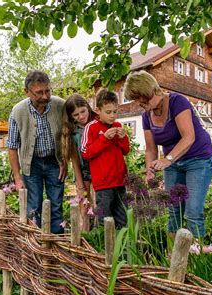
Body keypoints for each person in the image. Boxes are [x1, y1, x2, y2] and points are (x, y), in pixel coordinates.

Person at [123, 70, 212, 238]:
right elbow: (151, 149)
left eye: (139, 99)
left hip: (198, 159)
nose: (138, 104)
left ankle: (198, 258)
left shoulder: (177, 102)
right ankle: (173, 256)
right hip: (173, 165)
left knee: (193, 211)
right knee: (173, 210)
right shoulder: (146, 116)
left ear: (149, 92)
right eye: (135, 100)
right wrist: (149, 170)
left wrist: (167, 159)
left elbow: (189, 137)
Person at [7, 70, 66, 234]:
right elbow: (12, 146)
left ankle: (57, 245)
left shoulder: (60, 105)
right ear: (27, 92)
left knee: (56, 204)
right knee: (34, 206)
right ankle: (36, 246)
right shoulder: (18, 111)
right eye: (39, 92)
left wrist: (64, 161)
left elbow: (69, 134)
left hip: (55, 162)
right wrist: (17, 177)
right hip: (31, 165)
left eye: (47, 91)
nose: (45, 96)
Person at [81, 88, 130, 229]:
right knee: (105, 220)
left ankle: (123, 249)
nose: (112, 115)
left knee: (123, 220)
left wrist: (122, 138)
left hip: (120, 182)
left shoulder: (118, 126)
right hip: (103, 184)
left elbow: (125, 150)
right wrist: (103, 138)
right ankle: (104, 248)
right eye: (108, 112)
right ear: (98, 110)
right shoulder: (91, 128)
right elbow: (86, 152)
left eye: (115, 111)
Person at [61, 93, 98, 231]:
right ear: (71, 117)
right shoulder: (73, 133)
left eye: (83, 111)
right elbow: (75, 160)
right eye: (76, 115)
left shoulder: (98, 124)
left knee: (99, 204)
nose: (81, 117)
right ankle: (85, 235)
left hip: (100, 169)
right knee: (84, 204)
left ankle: (100, 233)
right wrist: (80, 184)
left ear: (88, 107)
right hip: (83, 170)